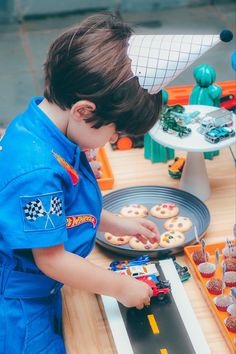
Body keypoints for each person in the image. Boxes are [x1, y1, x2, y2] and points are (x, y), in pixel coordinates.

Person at [0, 13, 162, 354]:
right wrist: (120, 286)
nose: (113, 138)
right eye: (115, 131)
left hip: (40, 285)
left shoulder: (48, 128)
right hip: (21, 300)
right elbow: (52, 260)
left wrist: (117, 222)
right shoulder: (38, 173)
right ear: (84, 111)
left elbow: (64, 206)